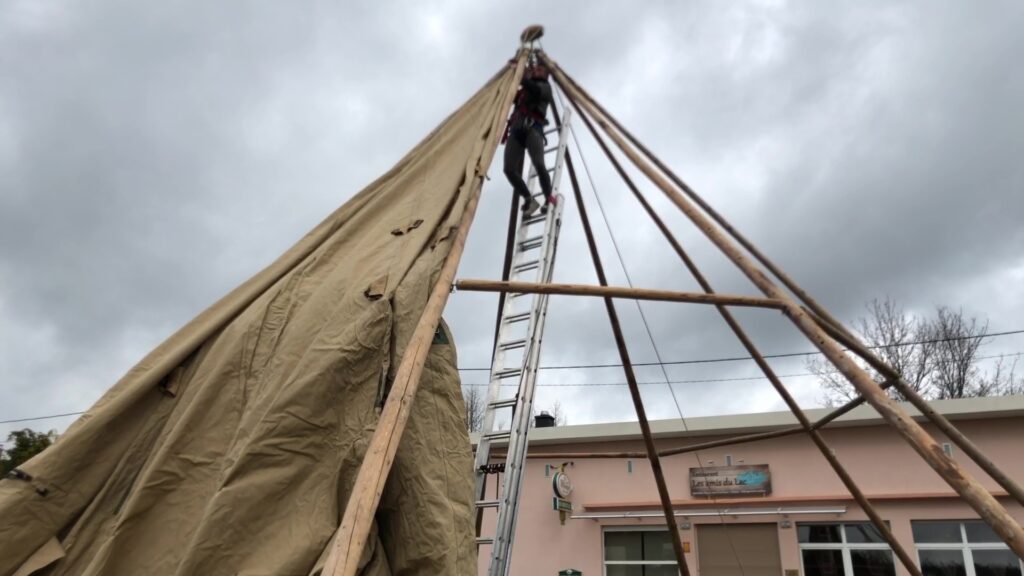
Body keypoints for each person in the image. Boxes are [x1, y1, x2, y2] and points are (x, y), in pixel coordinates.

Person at [503, 62, 556, 217]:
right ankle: (529, 199)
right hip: (517, 130)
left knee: (539, 163)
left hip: (533, 128)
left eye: (540, 69)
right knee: (509, 169)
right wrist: (515, 73)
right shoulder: (523, 92)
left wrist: (523, 76)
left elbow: (535, 90)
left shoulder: (545, 88)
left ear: (546, 75)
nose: (536, 71)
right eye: (536, 69)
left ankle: (549, 197)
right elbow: (510, 94)